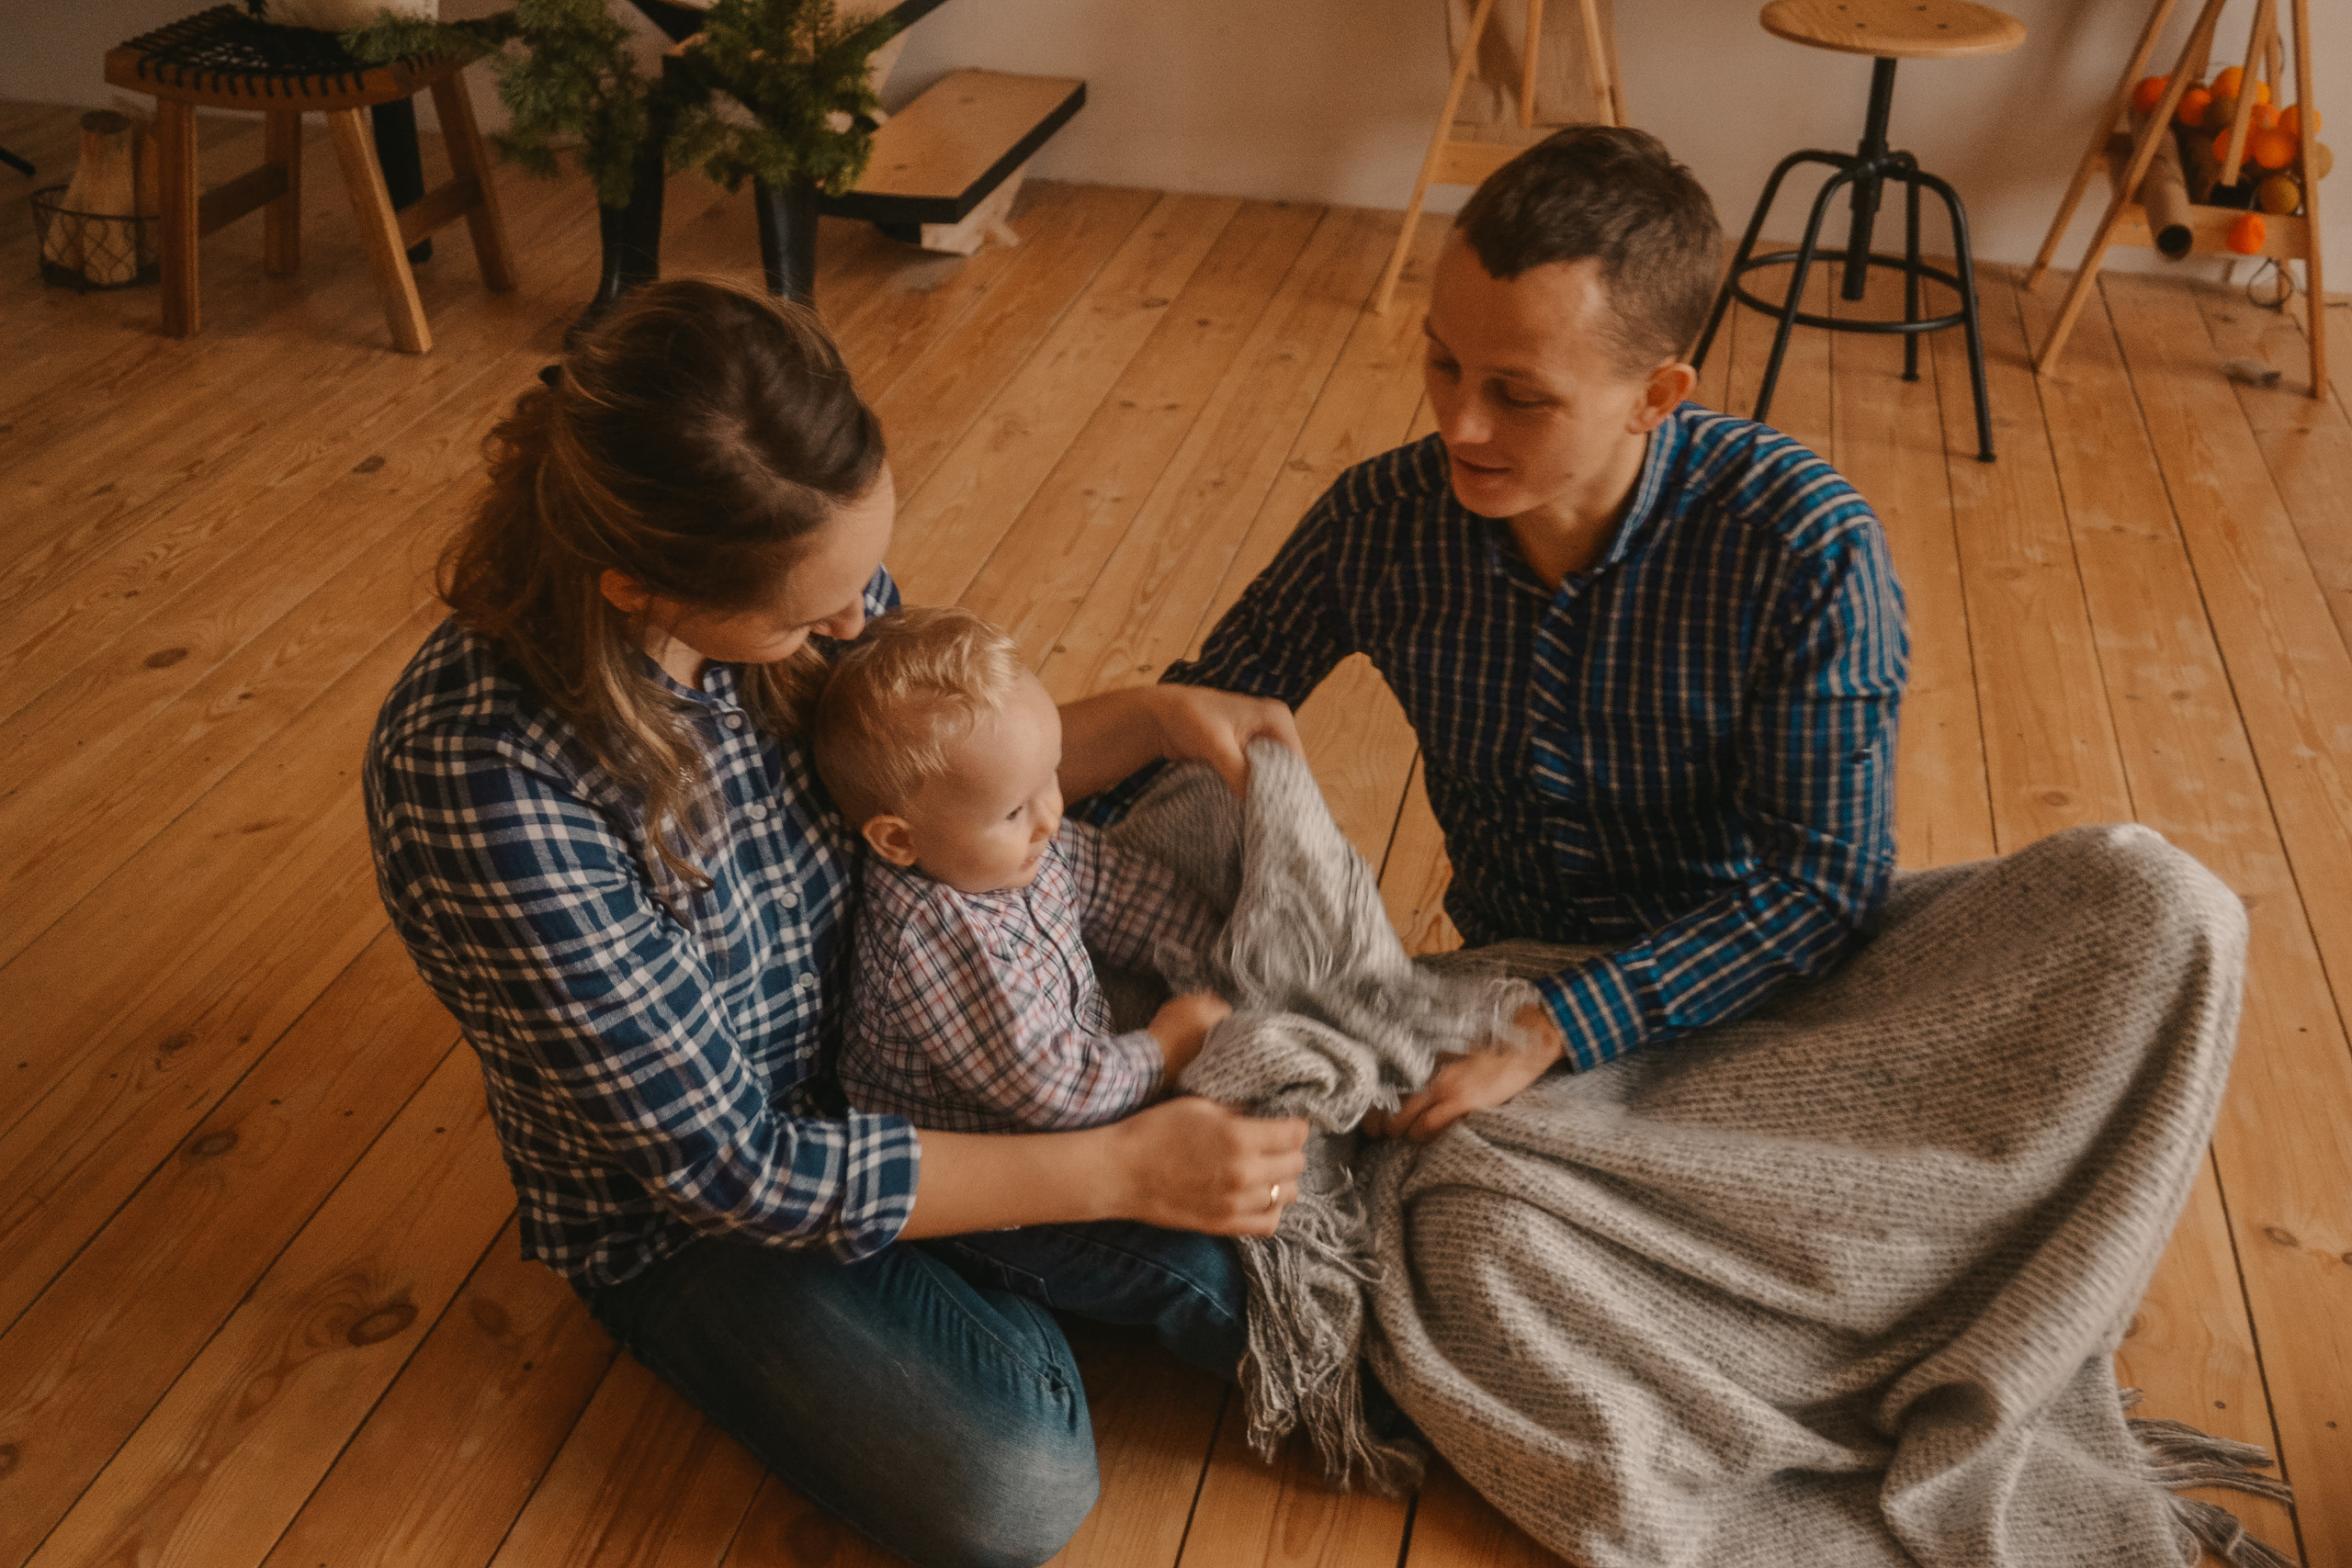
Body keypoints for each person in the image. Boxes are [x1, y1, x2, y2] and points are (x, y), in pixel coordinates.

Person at [362, 277, 1309, 1568]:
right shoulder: (484, 774)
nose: (861, 619)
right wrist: (1120, 1169)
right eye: (815, 610)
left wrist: (1149, 717)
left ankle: (998, 1245)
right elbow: (735, 1166)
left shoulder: (807, 581)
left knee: (1252, 1239)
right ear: (639, 581)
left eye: (866, 573)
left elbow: (943, 785)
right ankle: (1000, 1263)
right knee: (1012, 1481)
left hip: (915, 1053)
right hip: (704, 1209)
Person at [1161, 124, 1910, 1140]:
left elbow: (1822, 889)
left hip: (1737, 983)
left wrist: (1557, 1029)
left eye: (1518, 397)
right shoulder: (1377, 521)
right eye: (1441, 363)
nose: (1459, 426)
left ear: (1656, 396)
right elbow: (1198, 720)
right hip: (1487, 987)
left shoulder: (1802, 546)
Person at [814, 604, 1229, 1135]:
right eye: (1013, 811)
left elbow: (1125, 894)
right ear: (899, 839)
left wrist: (1221, 965)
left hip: (1086, 1068)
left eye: (1051, 775)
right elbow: (1049, 1088)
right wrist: (1162, 1053)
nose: (1051, 818)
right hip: (1002, 1163)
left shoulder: (1015, 848)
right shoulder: (931, 933)